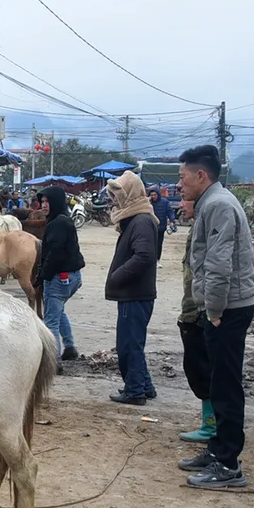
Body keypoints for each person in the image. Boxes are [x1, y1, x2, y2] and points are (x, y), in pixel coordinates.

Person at [176, 145, 254, 489]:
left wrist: (214, 310)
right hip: (223, 307)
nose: (179, 185)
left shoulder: (219, 205)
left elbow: (219, 263)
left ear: (200, 175)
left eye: (182, 178)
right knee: (217, 381)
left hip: (229, 309)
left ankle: (228, 465)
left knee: (225, 385)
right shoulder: (210, 203)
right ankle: (217, 448)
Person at [104, 170, 158, 406]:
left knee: (128, 346)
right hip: (135, 294)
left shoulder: (141, 221)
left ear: (130, 195)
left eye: (117, 195)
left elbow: (144, 256)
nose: (114, 201)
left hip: (134, 294)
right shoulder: (138, 220)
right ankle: (144, 386)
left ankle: (134, 391)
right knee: (134, 343)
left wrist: (117, 276)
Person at [176, 176, 216, 443]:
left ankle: (212, 425)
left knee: (205, 368)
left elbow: (212, 268)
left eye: (184, 200)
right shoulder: (195, 228)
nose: (180, 204)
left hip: (201, 309)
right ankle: (208, 422)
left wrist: (209, 309)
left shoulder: (209, 220)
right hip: (193, 307)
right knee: (197, 367)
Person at [34, 187, 85, 375]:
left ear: (56, 202)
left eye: (48, 202)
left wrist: (42, 276)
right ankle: (70, 347)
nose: (44, 205)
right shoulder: (62, 219)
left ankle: (53, 362)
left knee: (51, 320)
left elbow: (54, 254)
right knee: (59, 311)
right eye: (43, 202)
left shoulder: (57, 224)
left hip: (59, 277)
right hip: (71, 276)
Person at [148, 186, 177, 268]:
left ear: (158, 194)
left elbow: (170, 212)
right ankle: (150, 260)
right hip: (150, 227)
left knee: (158, 244)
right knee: (150, 244)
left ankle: (157, 260)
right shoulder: (148, 203)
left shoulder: (164, 202)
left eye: (154, 195)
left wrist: (172, 221)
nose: (153, 196)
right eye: (151, 195)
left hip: (161, 227)